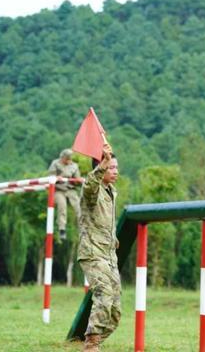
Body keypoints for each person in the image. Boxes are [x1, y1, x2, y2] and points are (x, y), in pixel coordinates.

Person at [77, 145, 120, 352]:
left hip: (109, 255)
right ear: (101, 169)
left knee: (115, 313)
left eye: (115, 167)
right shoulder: (92, 191)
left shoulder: (111, 192)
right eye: (110, 167)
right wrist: (99, 168)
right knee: (104, 294)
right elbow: (89, 186)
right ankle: (91, 345)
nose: (115, 171)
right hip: (92, 252)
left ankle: (94, 343)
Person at [48, 148, 81, 240]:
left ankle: (82, 228)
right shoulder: (55, 163)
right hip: (58, 189)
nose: (68, 161)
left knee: (78, 206)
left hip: (70, 189)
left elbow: (77, 179)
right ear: (62, 158)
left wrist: (78, 180)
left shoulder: (74, 166)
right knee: (62, 206)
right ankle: (62, 229)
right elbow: (50, 176)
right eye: (66, 159)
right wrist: (56, 177)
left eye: (69, 159)